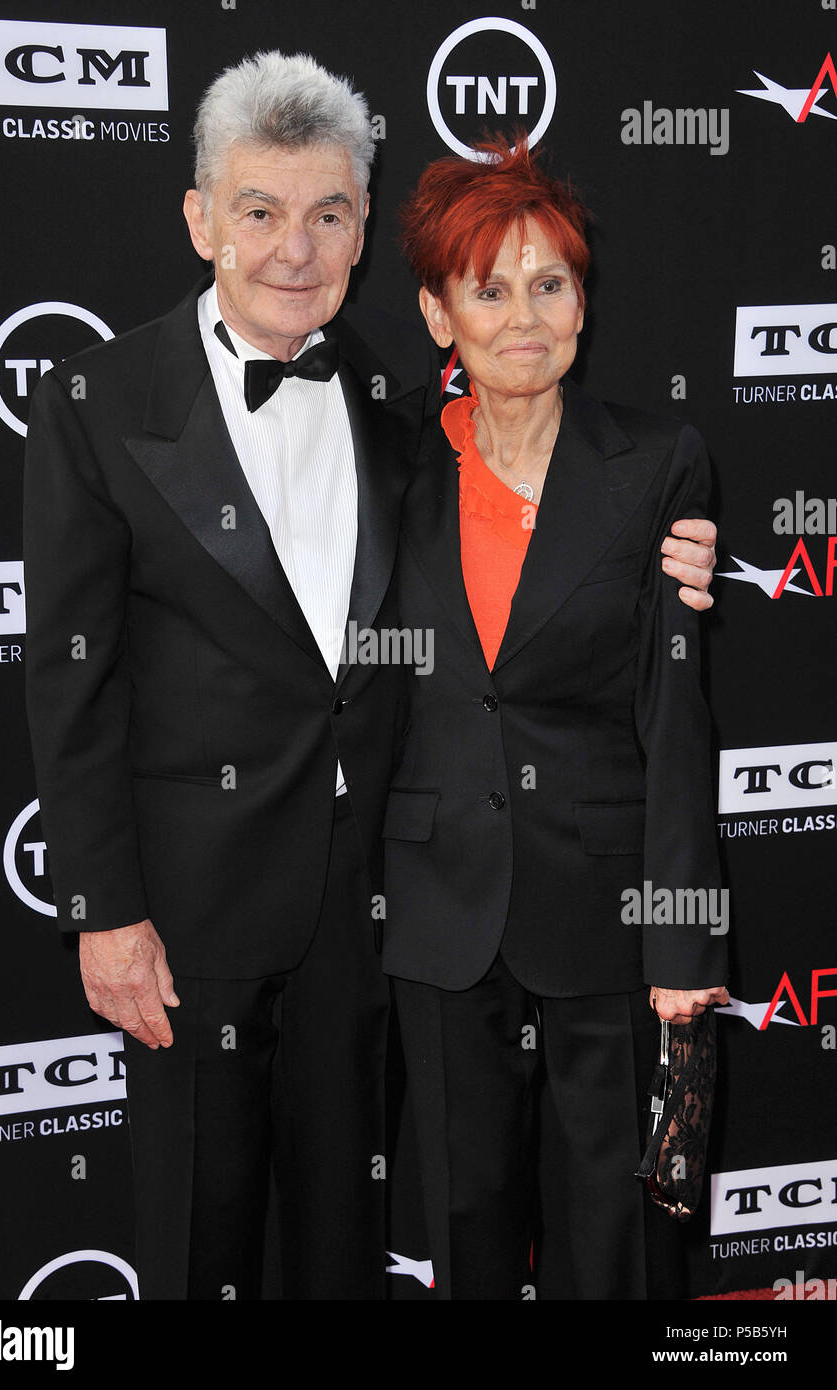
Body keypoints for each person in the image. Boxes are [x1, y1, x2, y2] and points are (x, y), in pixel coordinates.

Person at [23, 53, 717, 1302]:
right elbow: (71, 680)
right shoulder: (97, 401)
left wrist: (678, 561)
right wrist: (101, 909)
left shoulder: (394, 420)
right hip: (185, 919)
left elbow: (558, 564)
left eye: (329, 213)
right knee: (197, 1237)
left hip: (369, 914)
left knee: (348, 1240)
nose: (296, 247)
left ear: (357, 232)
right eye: (259, 211)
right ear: (198, 219)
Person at [382, 133, 729, 1300]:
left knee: (614, 1240)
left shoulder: (655, 467)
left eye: (549, 282)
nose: (522, 316)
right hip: (437, 910)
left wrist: (683, 943)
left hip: (608, 904)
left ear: (582, 299)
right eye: (487, 288)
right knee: (461, 1220)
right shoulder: (387, 473)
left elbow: (676, 717)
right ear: (439, 314)